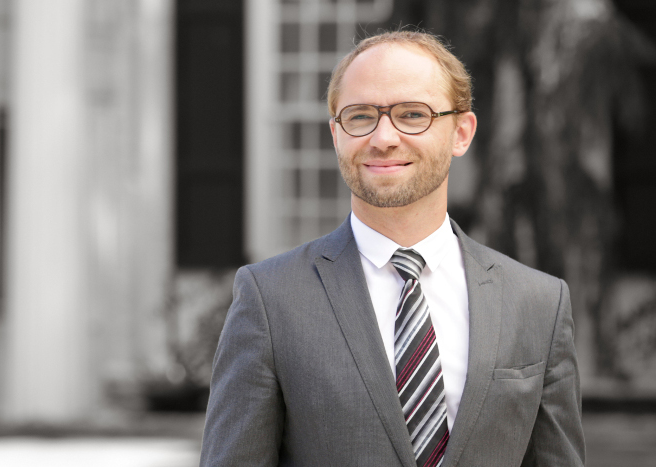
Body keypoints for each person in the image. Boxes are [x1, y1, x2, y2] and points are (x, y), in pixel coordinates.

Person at [200, 30, 585, 467]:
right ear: (336, 134)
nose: (383, 137)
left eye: (413, 114)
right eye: (361, 116)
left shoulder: (539, 303)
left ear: (461, 133)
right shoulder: (270, 299)